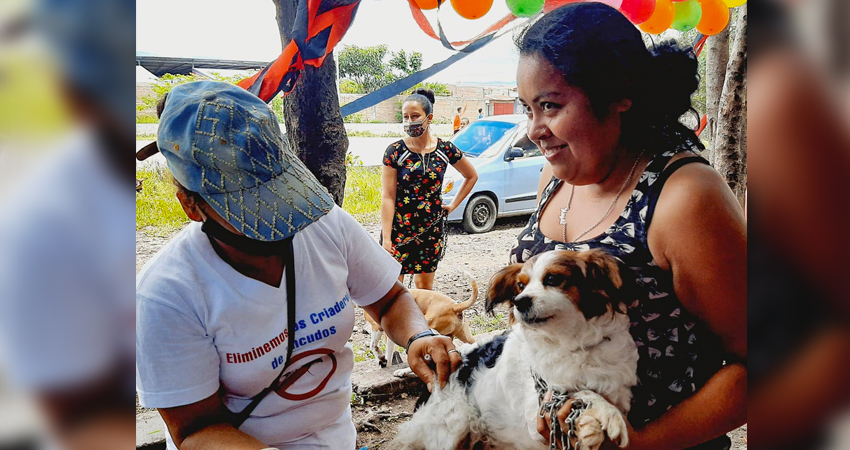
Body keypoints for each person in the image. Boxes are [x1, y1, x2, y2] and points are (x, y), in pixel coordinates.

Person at [135, 81, 462, 450]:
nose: (278, 218)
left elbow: (388, 300)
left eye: (278, 192)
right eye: (249, 208)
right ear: (191, 205)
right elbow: (195, 430)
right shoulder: (167, 294)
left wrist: (417, 335)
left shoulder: (326, 224)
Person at [510, 4, 746, 449]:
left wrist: (641, 443)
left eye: (550, 106)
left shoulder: (684, 198)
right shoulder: (554, 178)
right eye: (528, 109)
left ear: (620, 94)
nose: (534, 130)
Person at [381, 88, 477, 290]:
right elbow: (388, 197)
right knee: (393, 290)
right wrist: (387, 239)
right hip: (399, 229)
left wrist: (452, 205)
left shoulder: (445, 149)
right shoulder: (395, 151)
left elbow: (471, 176)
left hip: (430, 230)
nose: (409, 121)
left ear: (429, 118)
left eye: (415, 116)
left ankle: (422, 323)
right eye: (405, 117)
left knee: (424, 288)